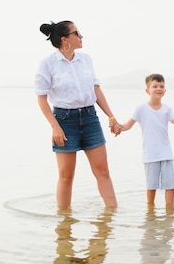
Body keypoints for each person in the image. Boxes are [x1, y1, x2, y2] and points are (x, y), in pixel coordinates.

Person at [35, 20, 118, 209]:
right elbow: (41, 99)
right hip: (64, 121)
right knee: (66, 176)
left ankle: (112, 217)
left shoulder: (86, 59)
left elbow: (95, 90)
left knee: (102, 171)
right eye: (77, 33)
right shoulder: (47, 64)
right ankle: (64, 226)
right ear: (65, 39)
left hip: (90, 118)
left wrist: (111, 117)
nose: (81, 36)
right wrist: (55, 126)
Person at [114, 74, 174, 206]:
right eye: (155, 86)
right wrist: (118, 127)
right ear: (147, 90)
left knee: (170, 185)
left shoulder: (167, 109)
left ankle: (170, 211)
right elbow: (127, 125)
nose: (159, 89)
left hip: (166, 153)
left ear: (165, 91)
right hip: (150, 154)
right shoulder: (141, 108)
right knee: (151, 186)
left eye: (162, 86)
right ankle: (150, 212)